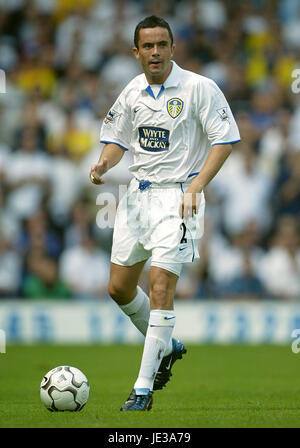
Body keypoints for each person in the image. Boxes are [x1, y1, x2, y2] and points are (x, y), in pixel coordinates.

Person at [89, 15, 240, 411]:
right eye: (148, 46)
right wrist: (104, 164)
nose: (155, 52)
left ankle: (142, 388)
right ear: (135, 52)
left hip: (178, 199)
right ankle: (167, 347)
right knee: (118, 288)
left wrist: (195, 187)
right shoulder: (132, 91)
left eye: (162, 45)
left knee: (160, 289)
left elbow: (224, 141)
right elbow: (116, 140)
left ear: (173, 48)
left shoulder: (198, 88)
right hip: (137, 198)